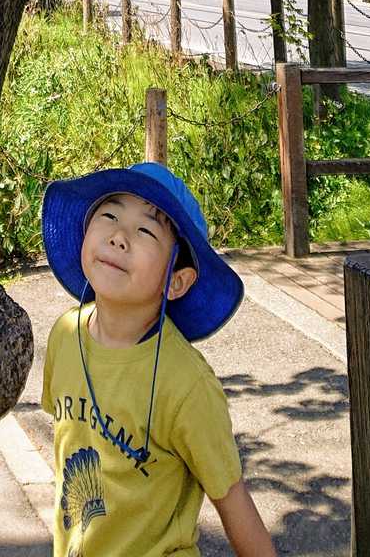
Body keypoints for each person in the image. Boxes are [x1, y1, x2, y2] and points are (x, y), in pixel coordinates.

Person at [41, 161, 277, 557]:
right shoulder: (64, 336)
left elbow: (232, 497)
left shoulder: (186, 384)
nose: (119, 237)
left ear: (176, 281)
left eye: (146, 231)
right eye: (110, 215)